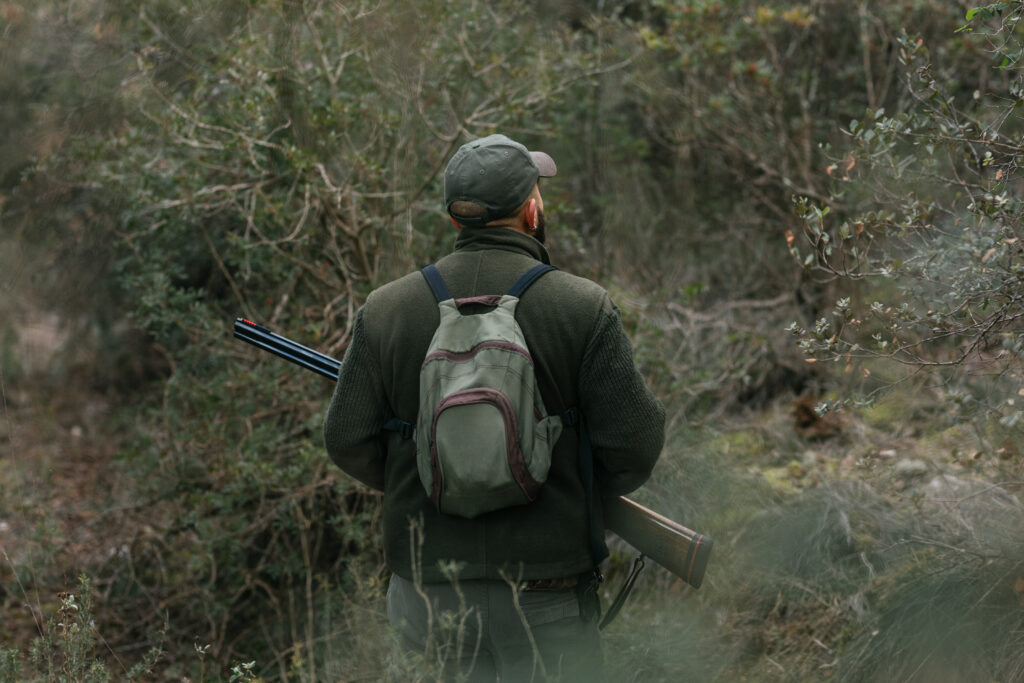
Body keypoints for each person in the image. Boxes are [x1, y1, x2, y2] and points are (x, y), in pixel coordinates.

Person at [324, 133, 665, 681]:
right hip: (546, 594)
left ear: (458, 219)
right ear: (531, 209)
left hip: (429, 593)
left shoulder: (385, 310)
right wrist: (568, 486)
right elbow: (634, 446)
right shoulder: (583, 307)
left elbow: (346, 438)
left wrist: (436, 467)